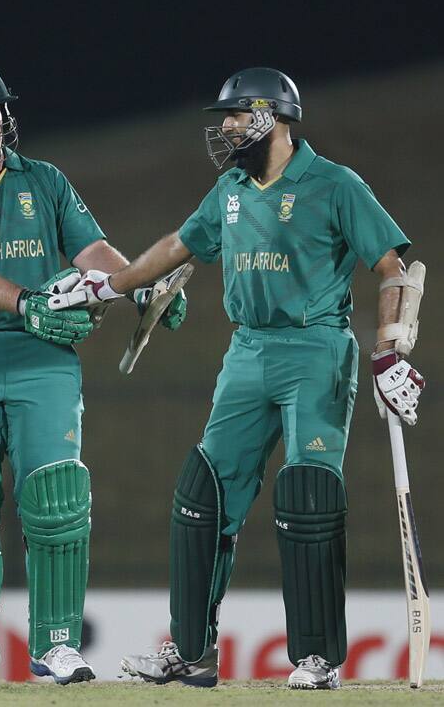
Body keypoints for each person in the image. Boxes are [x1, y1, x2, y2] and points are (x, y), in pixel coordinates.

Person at [71, 67, 425, 690]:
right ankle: (191, 652)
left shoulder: (334, 184)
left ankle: (317, 658)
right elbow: (181, 244)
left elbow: (396, 268)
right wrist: (109, 283)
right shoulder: (230, 188)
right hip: (247, 352)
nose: (225, 126)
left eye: (235, 115)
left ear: (275, 117)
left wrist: (390, 351)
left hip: (315, 349)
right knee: (200, 493)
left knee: (308, 496)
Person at [0, 60, 185, 687]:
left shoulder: (47, 180)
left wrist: (143, 284)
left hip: (44, 362)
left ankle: (58, 643)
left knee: (58, 499)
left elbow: (92, 252)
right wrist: (29, 303)